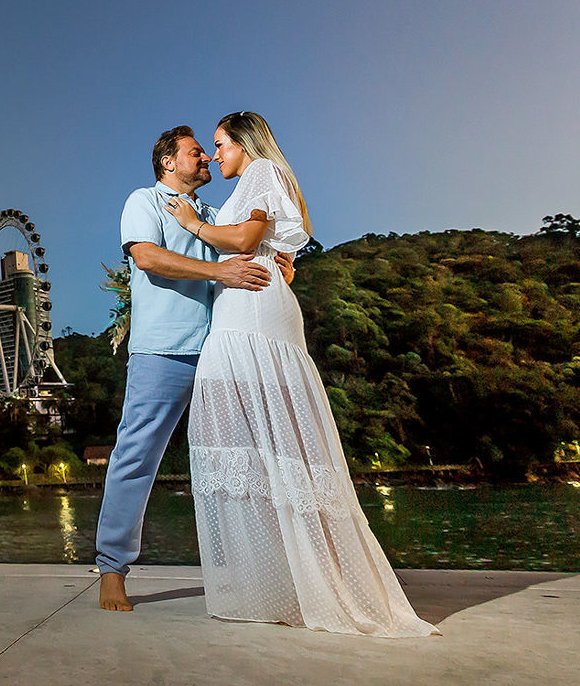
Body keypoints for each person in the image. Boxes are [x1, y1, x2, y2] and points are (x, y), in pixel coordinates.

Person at [165, 112, 436, 636]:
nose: (216, 154)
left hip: (252, 313)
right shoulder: (255, 180)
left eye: (220, 144)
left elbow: (244, 241)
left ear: (244, 142)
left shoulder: (262, 170)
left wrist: (192, 224)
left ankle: (302, 586)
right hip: (254, 305)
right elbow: (277, 253)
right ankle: (282, 585)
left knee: (264, 440)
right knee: (257, 443)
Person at [97, 125, 293, 612]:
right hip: (162, 351)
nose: (206, 157)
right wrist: (220, 270)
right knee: (135, 457)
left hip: (220, 351)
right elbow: (146, 257)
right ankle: (111, 569)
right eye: (194, 152)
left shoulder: (210, 214)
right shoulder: (143, 200)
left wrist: (277, 263)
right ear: (167, 162)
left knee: (236, 462)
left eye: (210, 151)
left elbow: (249, 247)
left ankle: (256, 567)